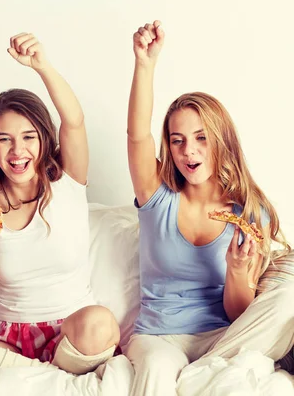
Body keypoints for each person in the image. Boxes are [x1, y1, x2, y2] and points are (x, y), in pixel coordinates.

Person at [124, 20, 294, 395]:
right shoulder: (156, 197)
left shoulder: (251, 215)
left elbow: (238, 313)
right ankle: (208, 376)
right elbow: (137, 135)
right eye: (177, 140)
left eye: (201, 138)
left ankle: (208, 371)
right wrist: (145, 65)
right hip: (160, 337)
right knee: (155, 367)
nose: (189, 151)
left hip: (222, 338)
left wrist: (237, 270)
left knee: (287, 302)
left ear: (220, 141)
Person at [0, 32, 120, 375]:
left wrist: (42, 66)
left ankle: (39, 370)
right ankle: (38, 373)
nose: (18, 152)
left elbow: (74, 121)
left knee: (101, 323)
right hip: (8, 338)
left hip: (73, 334)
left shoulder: (68, 181)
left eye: (28, 137)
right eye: (5, 140)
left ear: (45, 139)